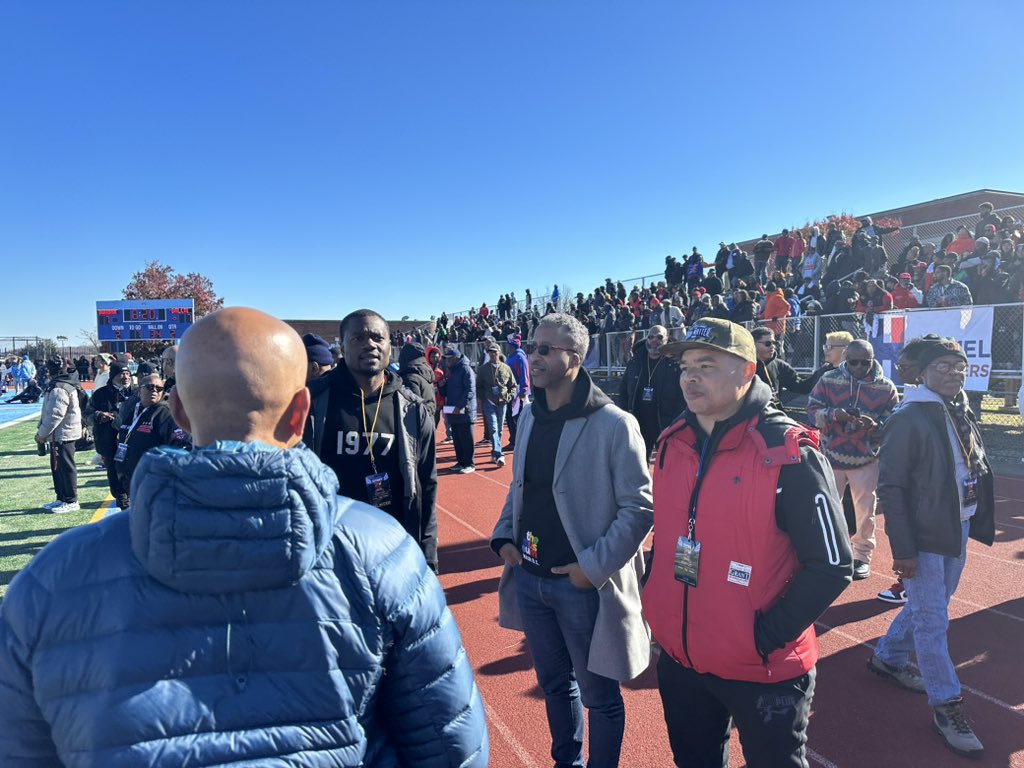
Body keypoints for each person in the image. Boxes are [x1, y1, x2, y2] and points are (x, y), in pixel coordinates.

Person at [0, 307, 488, 764]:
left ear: (179, 411)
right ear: (300, 414)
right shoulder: (384, 555)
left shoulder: (49, 580)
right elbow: (451, 744)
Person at [646, 318, 852, 768]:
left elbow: (833, 563)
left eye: (706, 364)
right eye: (684, 366)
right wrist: (655, 603)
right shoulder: (672, 443)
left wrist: (761, 639)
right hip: (683, 661)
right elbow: (668, 539)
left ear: (746, 371)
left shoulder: (788, 451)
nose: (690, 377)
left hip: (764, 669)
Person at [491, 312, 653, 768]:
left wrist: (591, 569)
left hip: (581, 586)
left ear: (575, 359)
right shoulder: (527, 417)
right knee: (555, 686)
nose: (533, 355)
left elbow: (639, 509)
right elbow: (518, 486)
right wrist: (505, 534)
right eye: (532, 345)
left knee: (599, 696)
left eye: (546, 349)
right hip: (530, 576)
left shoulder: (615, 424)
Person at [868, 336, 995, 759]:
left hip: (955, 526)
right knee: (933, 619)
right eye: (943, 365)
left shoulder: (958, 407)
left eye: (958, 366)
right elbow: (892, 487)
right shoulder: (909, 417)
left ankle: (887, 656)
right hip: (923, 536)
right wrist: (902, 550)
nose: (954, 373)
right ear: (920, 372)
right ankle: (947, 705)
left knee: (934, 603)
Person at [305, 309, 439, 572]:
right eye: (358, 338)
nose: (370, 344)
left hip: (392, 549)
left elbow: (427, 487)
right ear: (341, 346)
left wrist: (428, 558)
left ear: (391, 345)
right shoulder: (311, 401)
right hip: (328, 553)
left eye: (378, 337)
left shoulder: (412, 410)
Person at [806, 340, 898, 580]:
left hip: (866, 458)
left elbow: (893, 423)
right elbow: (812, 410)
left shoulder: (886, 387)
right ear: (846, 359)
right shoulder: (828, 379)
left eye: (864, 362)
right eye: (853, 362)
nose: (859, 367)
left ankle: (861, 557)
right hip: (831, 455)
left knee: (865, 510)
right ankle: (827, 551)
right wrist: (834, 414)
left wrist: (874, 425)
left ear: (873, 359)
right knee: (827, 507)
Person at [113, 372, 191, 510]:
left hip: (156, 485)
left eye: (159, 388)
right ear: (140, 390)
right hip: (133, 481)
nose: (154, 390)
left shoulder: (166, 414)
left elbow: (182, 447)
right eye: (149, 387)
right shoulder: (133, 410)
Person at [619, 324, 685, 457]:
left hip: (665, 425)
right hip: (638, 423)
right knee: (638, 464)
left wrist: (674, 423)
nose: (654, 340)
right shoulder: (635, 361)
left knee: (667, 465)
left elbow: (683, 397)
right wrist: (625, 416)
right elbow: (623, 391)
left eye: (659, 337)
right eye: (650, 337)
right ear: (646, 340)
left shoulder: (676, 365)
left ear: (666, 339)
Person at [34, 356, 84, 514]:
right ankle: (62, 497)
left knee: (65, 467)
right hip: (60, 434)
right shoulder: (62, 384)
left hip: (63, 434)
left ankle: (71, 500)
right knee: (57, 467)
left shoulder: (59, 388)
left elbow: (55, 415)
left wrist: (41, 434)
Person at [86, 361, 134, 509]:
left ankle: (133, 498)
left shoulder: (137, 393)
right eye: (121, 374)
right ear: (113, 376)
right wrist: (99, 415)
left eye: (127, 373)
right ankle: (122, 500)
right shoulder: (100, 394)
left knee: (133, 472)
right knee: (114, 473)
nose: (125, 377)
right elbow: (87, 414)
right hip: (108, 442)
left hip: (133, 443)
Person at [476, 343, 517, 467]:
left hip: (503, 403)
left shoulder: (506, 368)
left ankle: (494, 452)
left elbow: (513, 386)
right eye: (490, 352)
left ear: (499, 353)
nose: (492, 354)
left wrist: (509, 397)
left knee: (499, 429)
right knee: (493, 428)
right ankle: (498, 454)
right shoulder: (483, 369)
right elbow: (478, 387)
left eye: (494, 352)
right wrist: (484, 397)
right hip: (489, 403)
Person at [442, 345, 477, 473]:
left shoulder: (466, 369)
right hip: (453, 410)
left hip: (464, 411)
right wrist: (441, 386)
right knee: (457, 438)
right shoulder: (452, 371)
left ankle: (469, 464)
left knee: (466, 438)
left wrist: (460, 406)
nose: (448, 361)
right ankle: (461, 462)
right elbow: (447, 391)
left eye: (450, 358)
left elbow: (470, 390)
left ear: (456, 358)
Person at [504, 333, 531, 450]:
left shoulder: (520, 357)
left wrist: (523, 390)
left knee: (517, 416)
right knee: (510, 416)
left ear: (512, 346)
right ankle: (514, 440)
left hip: (518, 391)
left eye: (508, 345)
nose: (506, 347)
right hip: (510, 390)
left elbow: (524, 374)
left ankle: (518, 441)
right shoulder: (510, 356)